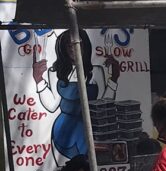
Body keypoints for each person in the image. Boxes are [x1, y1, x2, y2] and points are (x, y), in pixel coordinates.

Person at [33, 29, 120, 164]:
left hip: (92, 130)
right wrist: (39, 80)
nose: (74, 49)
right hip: (64, 131)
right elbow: (51, 105)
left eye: (78, 44)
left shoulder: (96, 71)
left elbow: (104, 103)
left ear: (85, 46)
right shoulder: (55, 72)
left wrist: (114, 79)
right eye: (69, 45)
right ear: (63, 48)